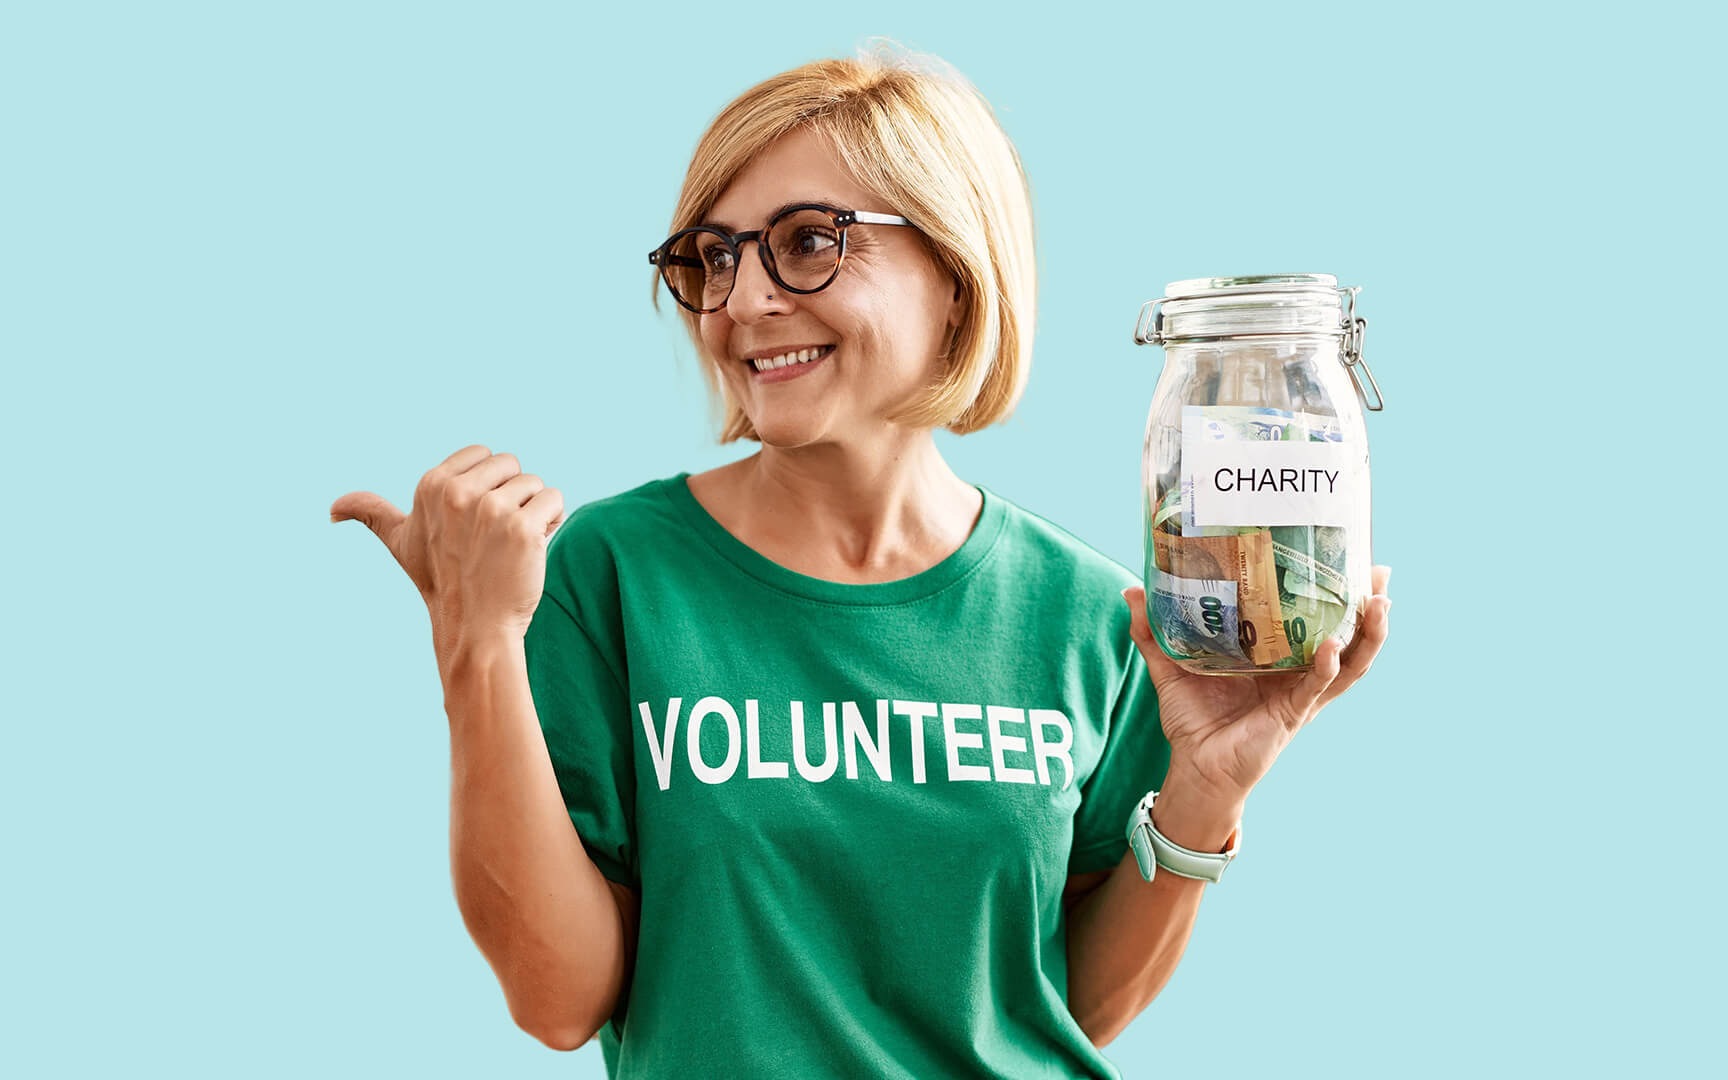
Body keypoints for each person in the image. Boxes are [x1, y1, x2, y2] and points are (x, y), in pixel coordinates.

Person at [330, 44, 1392, 1080]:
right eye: (715, 256)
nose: (743, 302)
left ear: (957, 278)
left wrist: (1205, 793)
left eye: (806, 242)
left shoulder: (1090, 612)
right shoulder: (608, 577)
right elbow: (557, 1000)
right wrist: (476, 644)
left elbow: (1064, 1010)